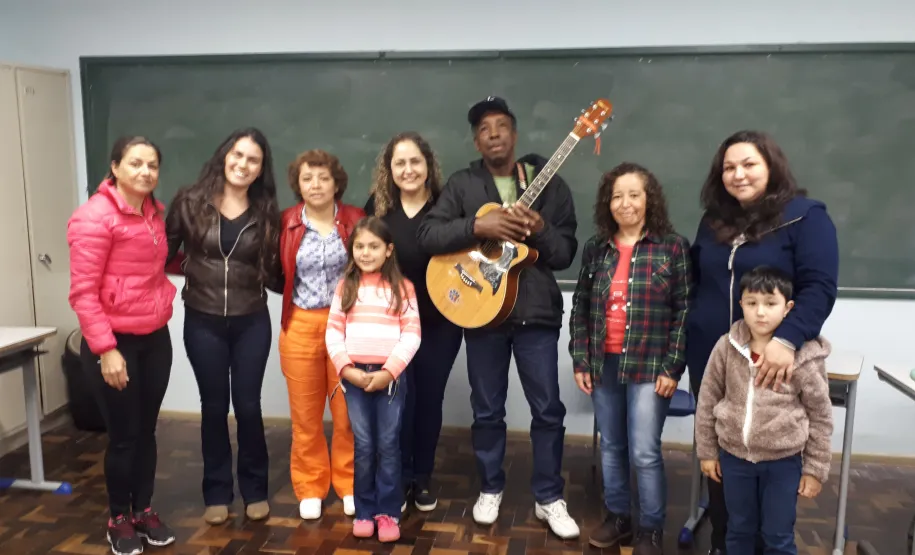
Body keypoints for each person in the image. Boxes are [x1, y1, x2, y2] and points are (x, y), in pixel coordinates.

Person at [417, 95, 579, 539]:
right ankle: (490, 488)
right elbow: (428, 234)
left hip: (536, 315)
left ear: (514, 133)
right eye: (484, 129)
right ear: (476, 141)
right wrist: (477, 227)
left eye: (501, 126)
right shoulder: (462, 184)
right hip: (482, 311)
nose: (493, 134)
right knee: (487, 410)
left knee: (547, 410)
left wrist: (540, 229)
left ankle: (549, 496)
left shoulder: (549, 184)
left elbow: (566, 253)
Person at [685, 130, 839, 555]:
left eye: (749, 164)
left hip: (772, 361)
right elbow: (697, 281)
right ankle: (725, 543)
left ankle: (767, 544)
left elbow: (819, 288)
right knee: (723, 456)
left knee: (768, 465)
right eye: (729, 167)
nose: (738, 174)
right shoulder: (713, 222)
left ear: (771, 166)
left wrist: (786, 341)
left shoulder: (806, 218)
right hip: (715, 358)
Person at [569, 163, 692, 555]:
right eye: (616, 196)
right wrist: (581, 360)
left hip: (650, 365)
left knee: (644, 451)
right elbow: (581, 307)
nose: (625, 203)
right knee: (611, 446)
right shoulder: (596, 248)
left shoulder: (672, 247)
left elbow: (684, 310)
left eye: (634, 195)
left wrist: (673, 367)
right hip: (603, 362)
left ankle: (650, 529)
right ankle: (619, 517)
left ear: (648, 199)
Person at [165, 127, 282, 524]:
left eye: (253, 159)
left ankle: (255, 490)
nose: (243, 164)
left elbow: (277, 271)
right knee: (214, 407)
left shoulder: (266, 211)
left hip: (252, 322)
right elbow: (160, 252)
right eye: (238, 155)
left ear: (261, 169)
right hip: (203, 320)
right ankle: (216, 492)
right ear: (224, 155)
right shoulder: (189, 202)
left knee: (248, 406)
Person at [68, 136, 178, 555]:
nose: (145, 172)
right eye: (135, 163)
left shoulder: (154, 214)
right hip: (114, 345)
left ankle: (143, 510)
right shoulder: (94, 217)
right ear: (115, 167)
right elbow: (83, 294)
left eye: (152, 165)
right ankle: (118, 519)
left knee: (146, 431)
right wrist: (106, 349)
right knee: (124, 436)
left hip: (155, 338)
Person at [695, 266, 833, 555]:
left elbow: (821, 416)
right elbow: (707, 400)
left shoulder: (803, 358)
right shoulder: (726, 347)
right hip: (734, 459)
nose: (760, 312)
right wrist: (707, 452)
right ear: (741, 304)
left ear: (788, 308)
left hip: (783, 463)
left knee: (777, 535)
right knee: (738, 529)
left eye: (770, 303)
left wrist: (814, 469)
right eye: (752, 303)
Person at [364, 131, 463, 512]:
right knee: (398, 402)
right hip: (391, 326)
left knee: (429, 401)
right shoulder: (378, 207)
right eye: (400, 163)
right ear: (389, 169)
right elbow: (365, 260)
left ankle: (421, 478)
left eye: (415, 161)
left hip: (440, 323)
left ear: (428, 165)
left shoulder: (447, 206)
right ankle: (398, 477)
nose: (408, 170)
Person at [278, 149, 364, 520]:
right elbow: (275, 271)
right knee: (305, 415)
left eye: (323, 178)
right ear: (298, 185)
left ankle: (349, 483)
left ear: (336, 183)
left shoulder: (355, 219)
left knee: (347, 414)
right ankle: (311, 486)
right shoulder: (286, 222)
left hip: (348, 325)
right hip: (300, 325)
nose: (316, 185)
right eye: (307, 178)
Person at [325, 216, 422, 542]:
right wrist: (346, 369)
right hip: (354, 377)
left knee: (389, 444)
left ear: (388, 250)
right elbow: (333, 333)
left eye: (374, 246)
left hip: (389, 379)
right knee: (364, 445)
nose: (365, 253)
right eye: (359, 246)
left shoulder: (403, 288)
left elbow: (412, 334)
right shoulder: (346, 287)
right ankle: (365, 510)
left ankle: (388, 512)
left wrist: (388, 372)